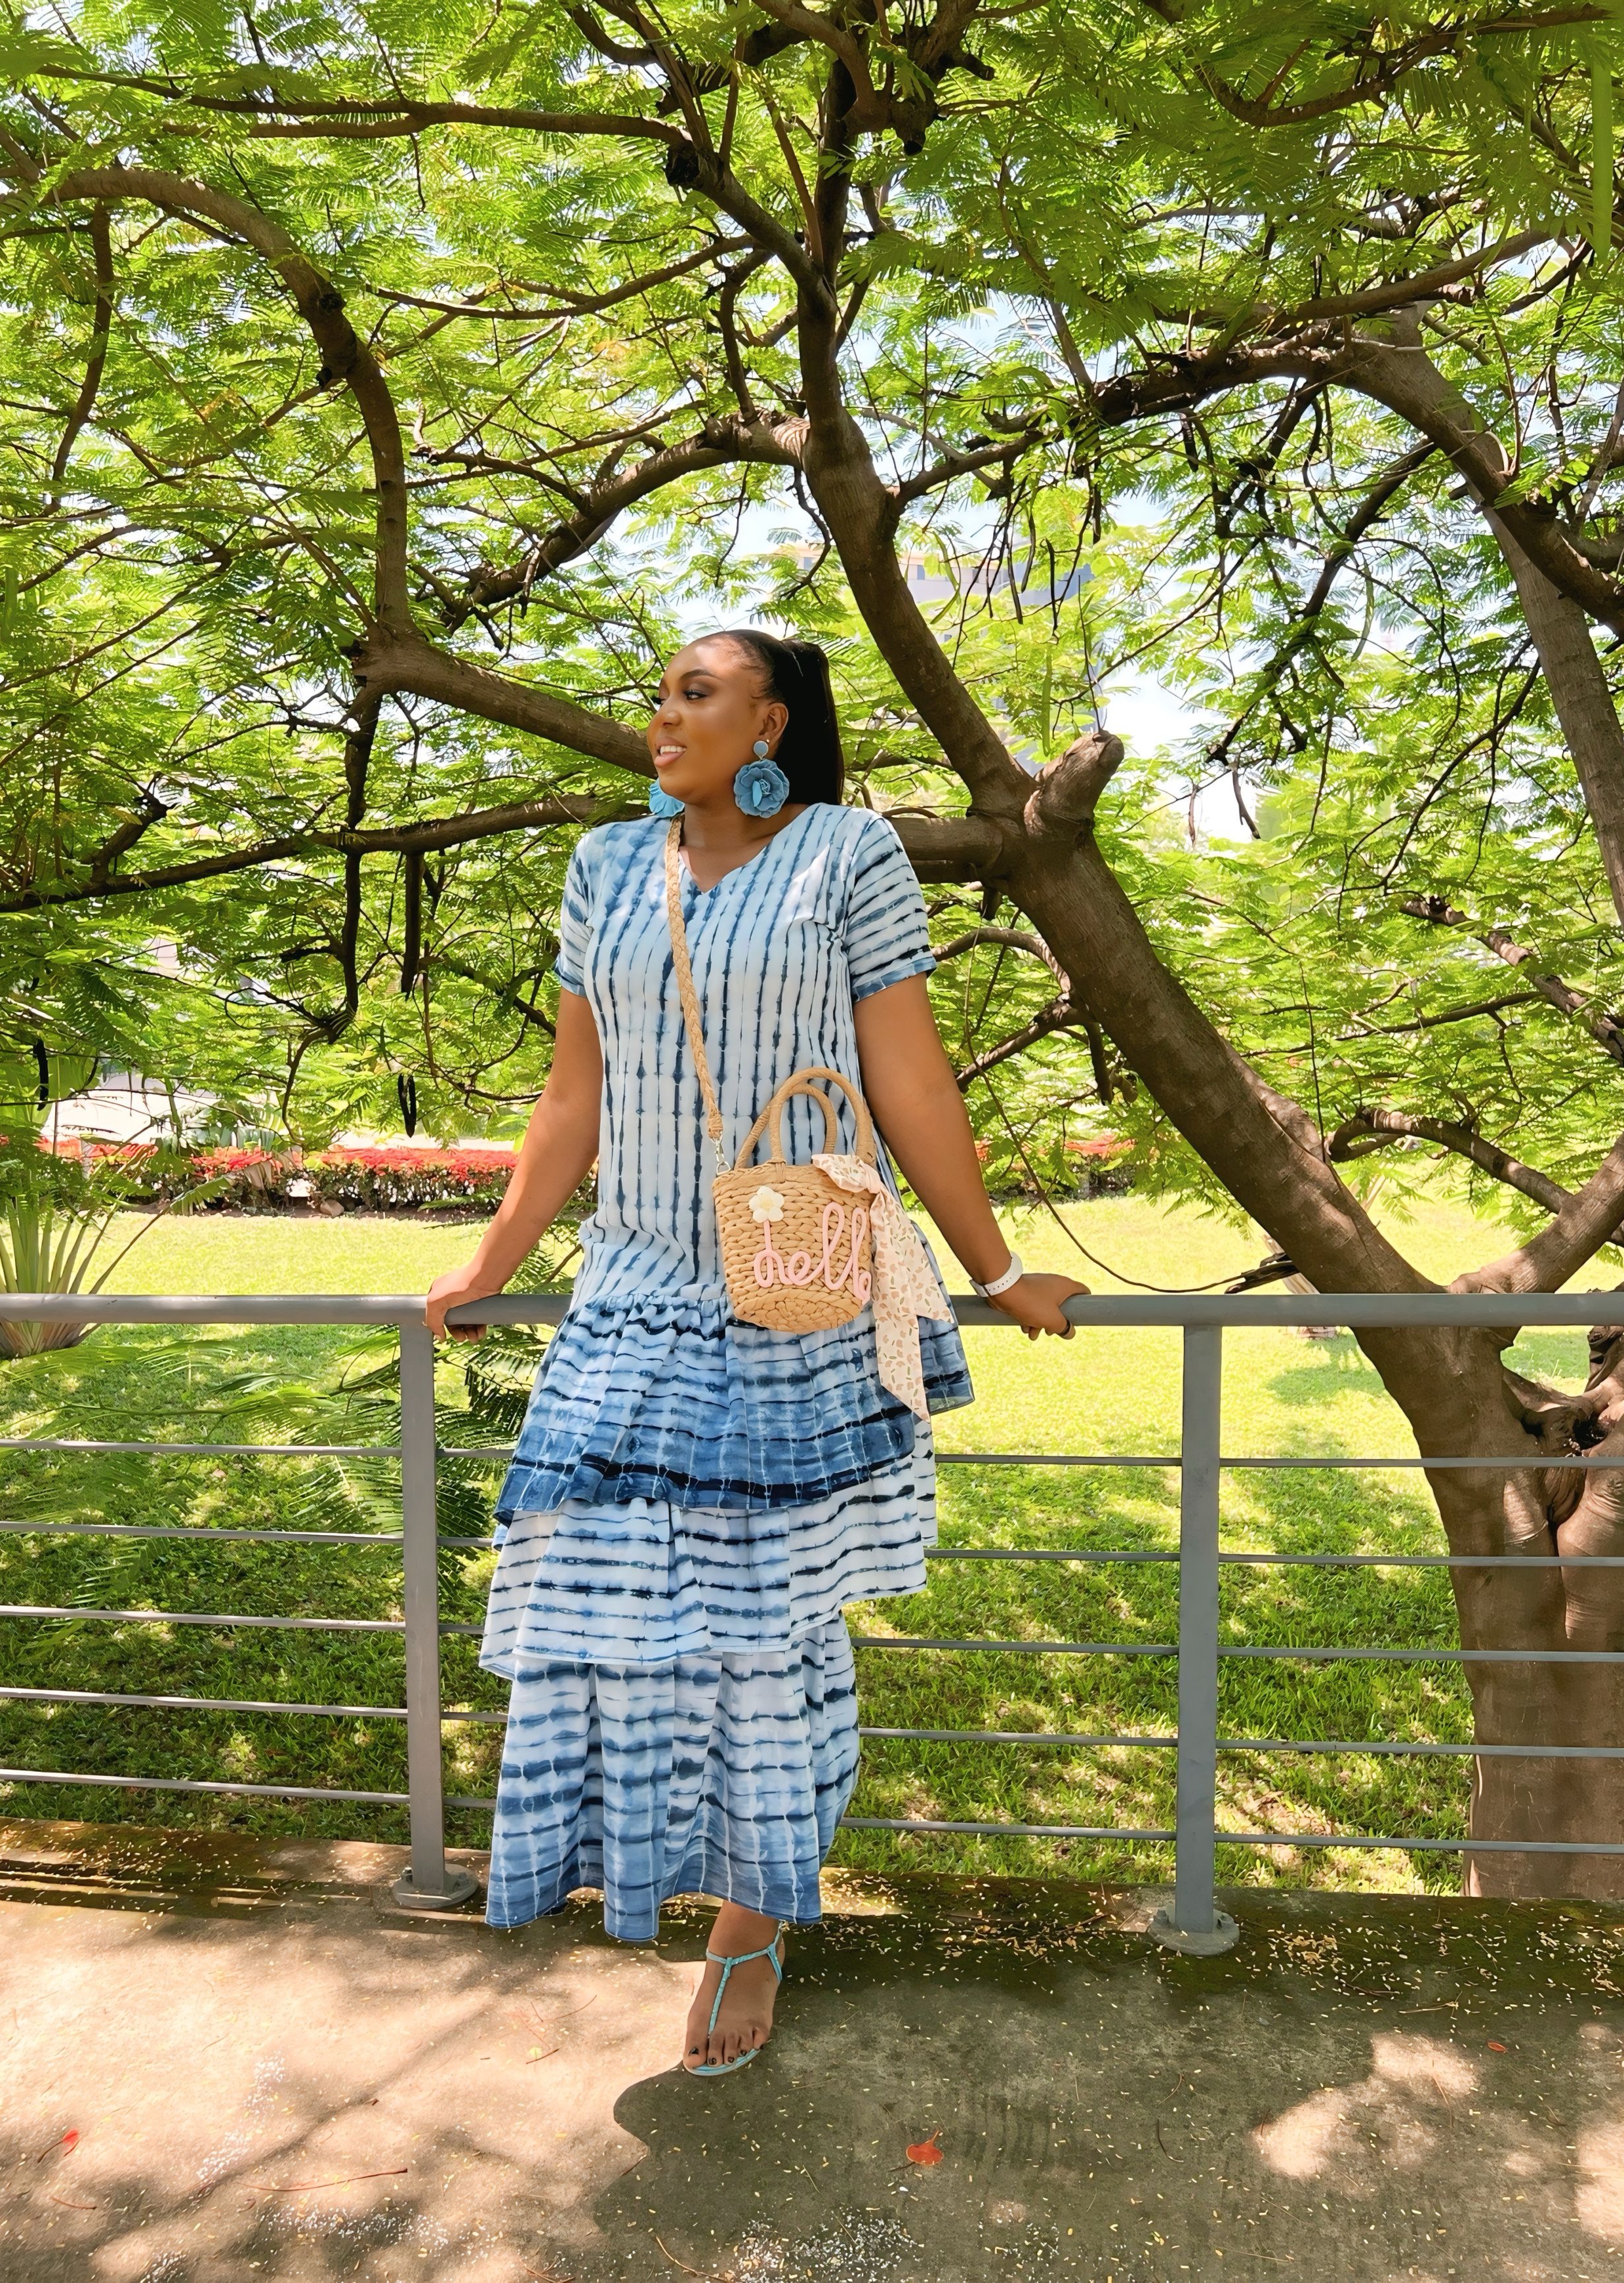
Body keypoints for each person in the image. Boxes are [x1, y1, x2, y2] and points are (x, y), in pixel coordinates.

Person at [425, 629, 1086, 2074]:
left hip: (796, 1288)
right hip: (631, 1292)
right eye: (659, 696)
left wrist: (998, 1268)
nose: (660, 718)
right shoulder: (608, 866)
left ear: (771, 722)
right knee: (593, 1601)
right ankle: (645, 1860)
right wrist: (492, 1261)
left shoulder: (847, 853)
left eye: (696, 695)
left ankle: (751, 1920)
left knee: (769, 1636)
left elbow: (908, 1076)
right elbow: (571, 1096)